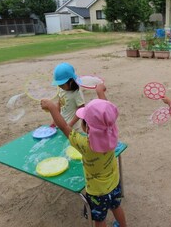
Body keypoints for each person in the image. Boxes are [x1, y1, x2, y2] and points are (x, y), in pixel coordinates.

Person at [41, 83, 127, 227]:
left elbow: (63, 126)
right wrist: (100, 91)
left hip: (97, 192)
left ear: (87, 127)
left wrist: (52, 108)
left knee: (99, 219)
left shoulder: (84, 144)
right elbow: (107, 113)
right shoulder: (111, 131)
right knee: (116, 206)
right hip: (114, 183)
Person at [51, 62, 85, 132]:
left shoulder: (76, 93)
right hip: (61, 123)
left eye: (62, 84)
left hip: (73, 128)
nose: (59, 86)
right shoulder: (61, 89)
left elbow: (81, 109)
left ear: (71, 81)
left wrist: (70, 124)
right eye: (58, 84)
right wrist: (55, 120)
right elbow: (59, 104)